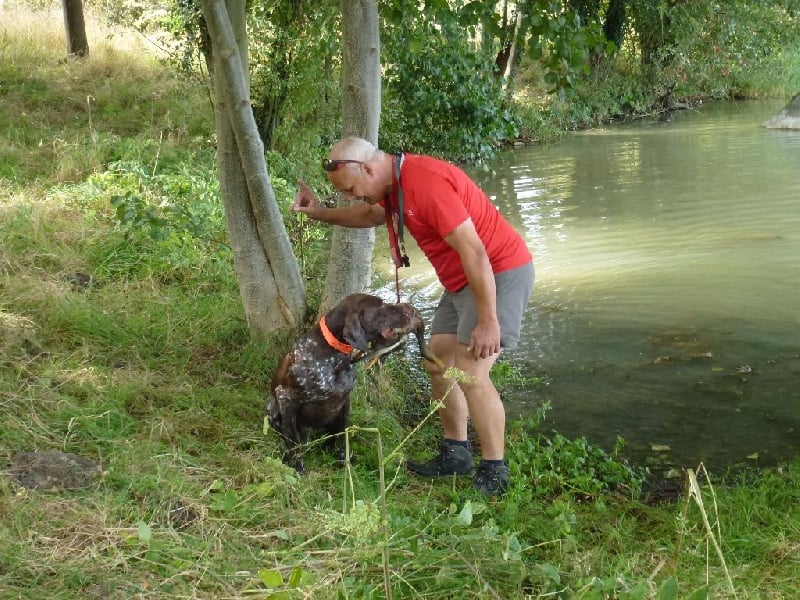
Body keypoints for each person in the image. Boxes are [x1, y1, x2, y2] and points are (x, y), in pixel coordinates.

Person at [292, 137, 534, 496]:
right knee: (437, 361)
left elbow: (476, 252)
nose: (351, 197)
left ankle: (494, 470)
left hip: (497, 274)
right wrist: (318, 214)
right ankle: (456, 453)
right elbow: (370, 214)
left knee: (471, 372)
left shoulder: (426, 184)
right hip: (460, 282)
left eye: (352, 188)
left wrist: (488, 320)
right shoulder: (391, 186)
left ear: (370, 169)